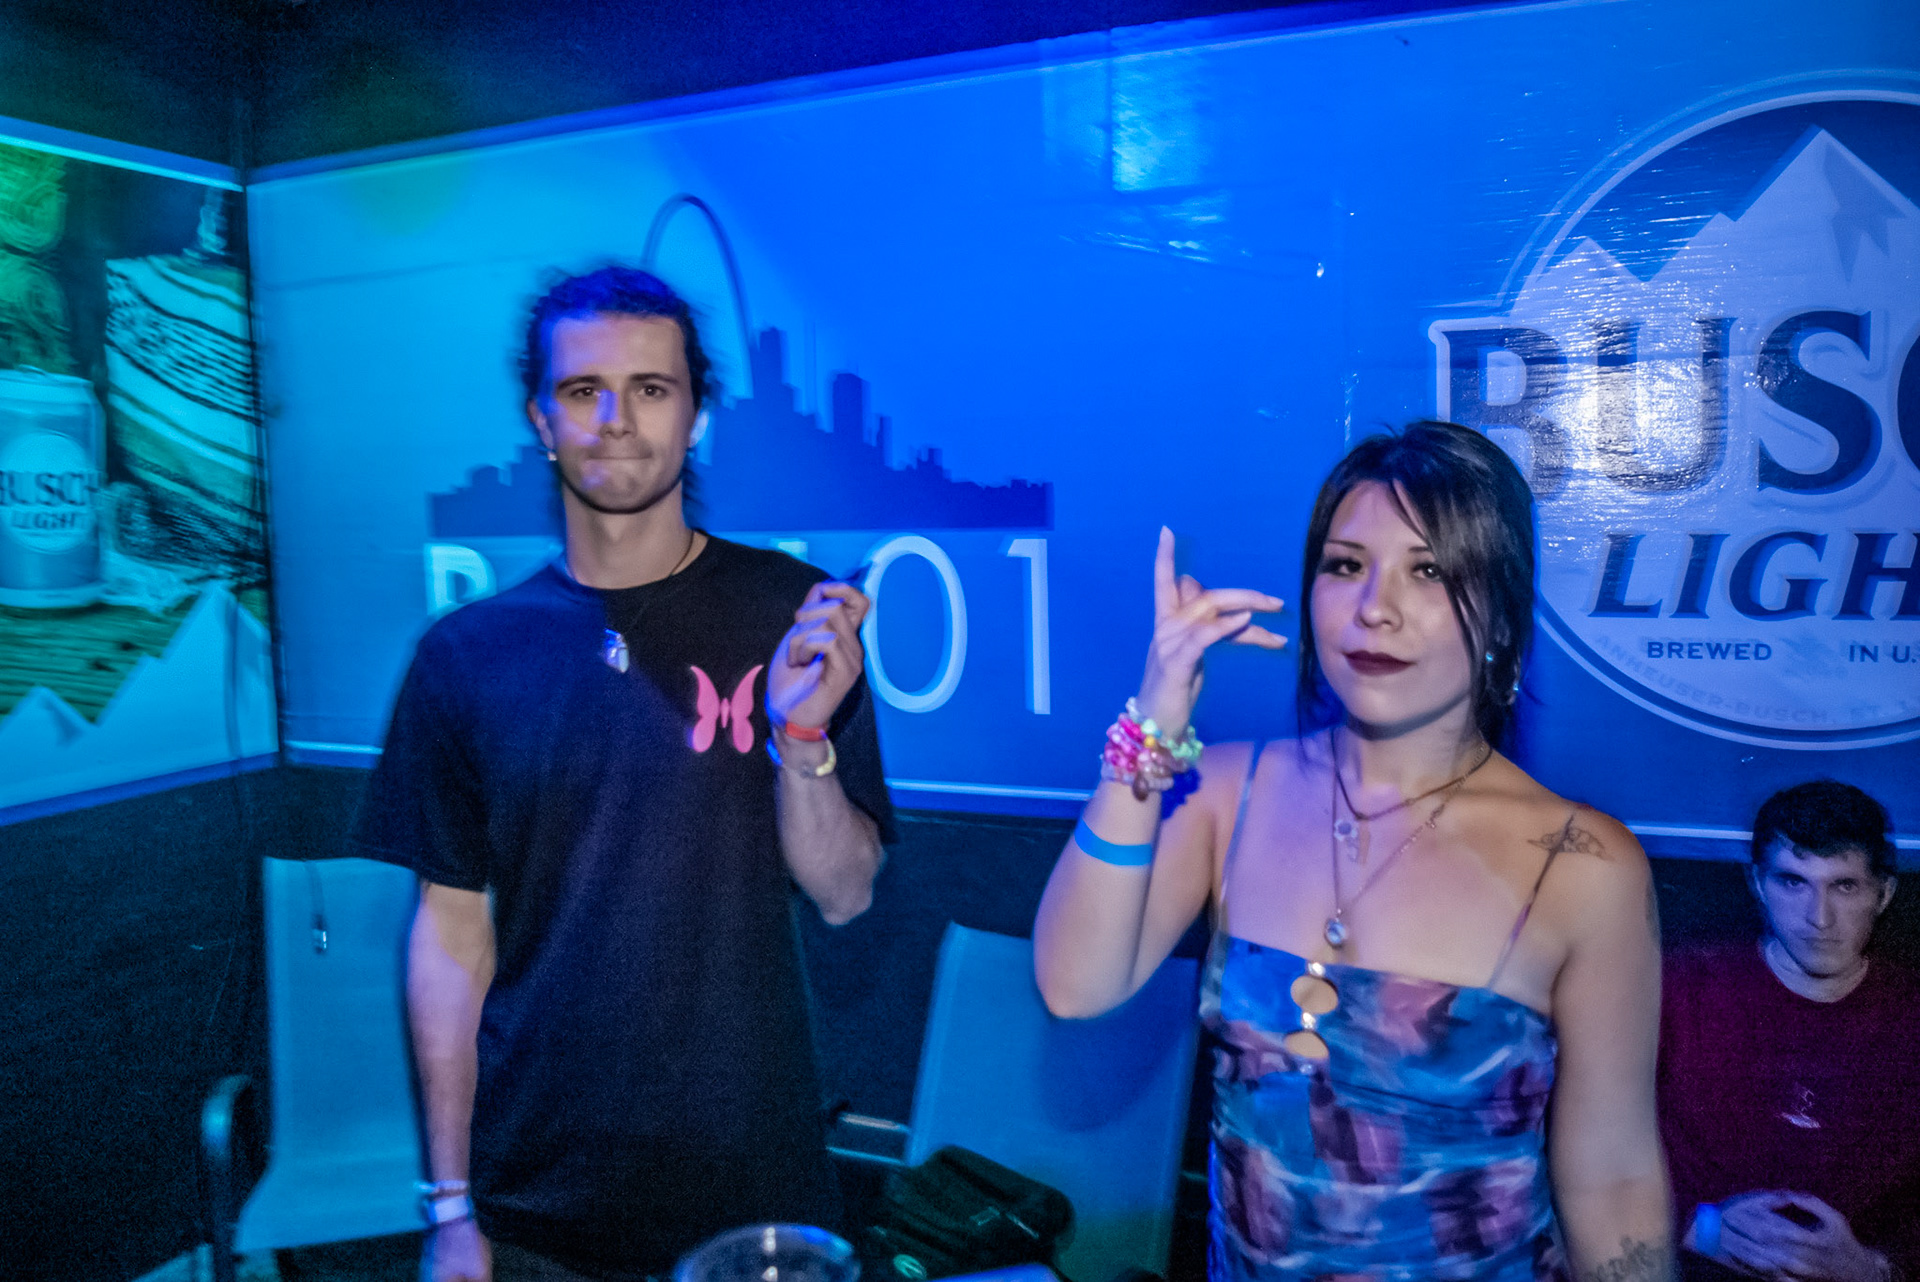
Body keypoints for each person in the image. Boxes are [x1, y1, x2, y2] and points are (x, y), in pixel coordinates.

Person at [350, 266, 894, 1282]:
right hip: (537, 1197)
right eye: (582, 390)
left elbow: (846, 892)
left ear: (696, 416)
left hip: (751, 1178)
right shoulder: (465, 655)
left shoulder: (795, 613)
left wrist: (799, 736)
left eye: (650, 388)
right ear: (541, 421)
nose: (616, 421)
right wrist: (451, 1207)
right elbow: (450, 939)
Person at [1034, 422, 1674, 1281]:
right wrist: (1152, 723)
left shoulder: (1582, 863)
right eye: (1345, 565)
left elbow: (1614, 1175)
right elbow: (1076, 987)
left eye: (1430, 571)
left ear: (1500, 613)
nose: (1375, 606)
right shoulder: (1225, 793)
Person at [1660, 780, 1918, 1282]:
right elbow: (1578, 1147)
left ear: (1883, 893)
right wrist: (1695, 1228)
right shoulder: (1677, 991)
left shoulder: (1909, 1015)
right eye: (1793, 883)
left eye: (1845, 886)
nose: (1819, 918)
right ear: (1758, 884)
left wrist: (1874, 1269)